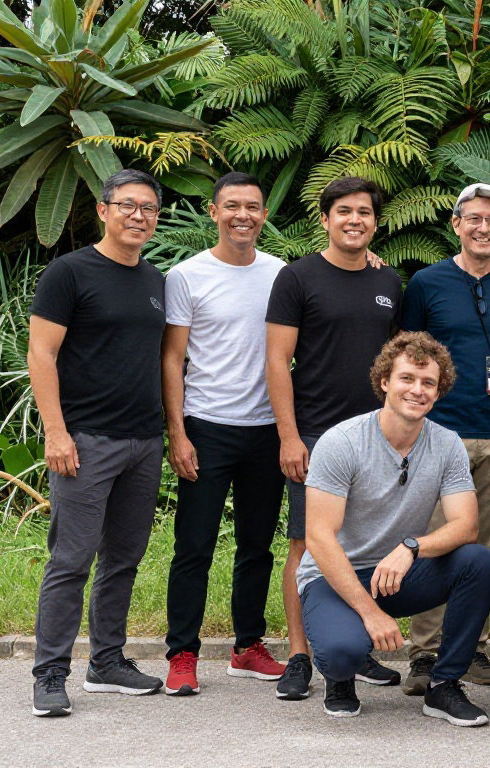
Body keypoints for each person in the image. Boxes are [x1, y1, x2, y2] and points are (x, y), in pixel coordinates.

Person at [298, 332, 490, 724]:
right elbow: (318, 538)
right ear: (385, 381)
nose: (417, 390)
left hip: (397, 571)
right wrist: (370, 613)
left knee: (477, 561)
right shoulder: (341, 442)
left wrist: (411, 547)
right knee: (342, 653)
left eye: (428, 383)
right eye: (407, 378)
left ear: (439, 391)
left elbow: (465, 526)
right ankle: (340, 678)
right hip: (333, 575)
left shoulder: (447, 444)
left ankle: (444, 686)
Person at [28, 170, 169, 716]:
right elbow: (42, 354)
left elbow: (163, 360)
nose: (139, 216)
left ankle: (106, 662)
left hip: (143, 441)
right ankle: (49, 674)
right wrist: (56, 432)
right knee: (71, 558)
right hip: (84, 440)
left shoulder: (156, 280)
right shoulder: (69, 273)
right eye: (128, 205)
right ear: (103, 209)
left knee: (124, 558)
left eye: (149, 209)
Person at [265, 176, 404, 699]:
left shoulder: (389, 283)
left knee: (368, 542)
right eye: (343, 211)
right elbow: (277, 360)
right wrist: (289, 436)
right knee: (305, 544)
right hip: (316, 435)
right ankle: (300, 656)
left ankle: (356, 648)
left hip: (379, 436)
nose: (354, 220)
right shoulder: (297, 278)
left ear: (375, 222)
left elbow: (399, 362)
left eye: (365, 212)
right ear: (324, 220)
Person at [398, 183, 490, 694]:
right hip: (437, 435)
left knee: (484, 547)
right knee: (434, 542)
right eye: (474, 218)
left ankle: (468, 646)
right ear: (456, 224)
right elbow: (406, 359)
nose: (484, 228)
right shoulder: (427, 283)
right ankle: (425, 655)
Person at [162, 173, 288, 695]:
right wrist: (178, 432)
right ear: (213, 212)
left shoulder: (282, 274)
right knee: (194, 545)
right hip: (206, 426)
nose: (243, 215)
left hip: (266, 428)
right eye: (232, 206)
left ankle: (247, 646)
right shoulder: (187, 275)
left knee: (256, 546)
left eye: (253, 206)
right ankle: (182, 653)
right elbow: (172, 357)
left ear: (264, 214)